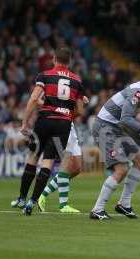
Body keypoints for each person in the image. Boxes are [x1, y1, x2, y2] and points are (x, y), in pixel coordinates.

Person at [10, 47, 87, 215]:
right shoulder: (76, 81)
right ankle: (32, 201)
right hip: (64, 124)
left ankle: (22, 198)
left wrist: (24, 123)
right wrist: (65, 113)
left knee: (32, 158)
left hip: (45, 121)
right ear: (70, 62)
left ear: (54, 59)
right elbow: (80, 111)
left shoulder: (45, 75)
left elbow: (33, 99)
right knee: (48, 162)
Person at [90, 61, 140, 220]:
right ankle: (97, 209)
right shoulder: (138, 91)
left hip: (115, 128)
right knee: (121, 169)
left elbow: (125, 120)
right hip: (105, 127)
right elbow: (125, 119)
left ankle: (124, 204)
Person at [36, 123, 83, 213]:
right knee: (67, 164)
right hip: (62, 123)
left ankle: (42, 195)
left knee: (77, 169)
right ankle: (63, 205)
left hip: (71, 126)